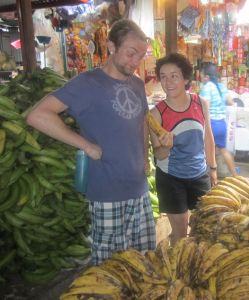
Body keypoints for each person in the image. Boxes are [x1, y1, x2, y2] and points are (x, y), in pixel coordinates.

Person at [26, 20, 155, 265]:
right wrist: (84, 145)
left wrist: (146, 152)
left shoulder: (138, 84)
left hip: (139, 191)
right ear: (111, 46)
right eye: (130, 53)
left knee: (145, 263)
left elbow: (142, 120)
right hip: (107, 193)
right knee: (110, 271)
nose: (135, 61)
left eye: (140, 55)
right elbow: (38, 115)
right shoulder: (87, 84)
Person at [149, 53, 217, 246]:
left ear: (186, 78)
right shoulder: (156, 114)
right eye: (163, 76)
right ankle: (179, 270)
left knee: (203, 230)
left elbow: (208, 137)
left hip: (199, 174)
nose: (168, 81)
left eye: (174, 76)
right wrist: (166, 146)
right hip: (171, 178)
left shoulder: (200, 103)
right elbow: (159, 155)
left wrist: (212, 169)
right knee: (180, 235)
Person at [199, 63, 237, 176]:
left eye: (201, 75)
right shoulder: (221, 87)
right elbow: (230, 101)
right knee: (223, 150)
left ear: (206, 76)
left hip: (212, 124)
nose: (200, 77)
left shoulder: (206, 88)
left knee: (207, 152)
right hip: (221, 124)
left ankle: (207, 178)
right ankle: (235, 176)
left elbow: (206, 104)